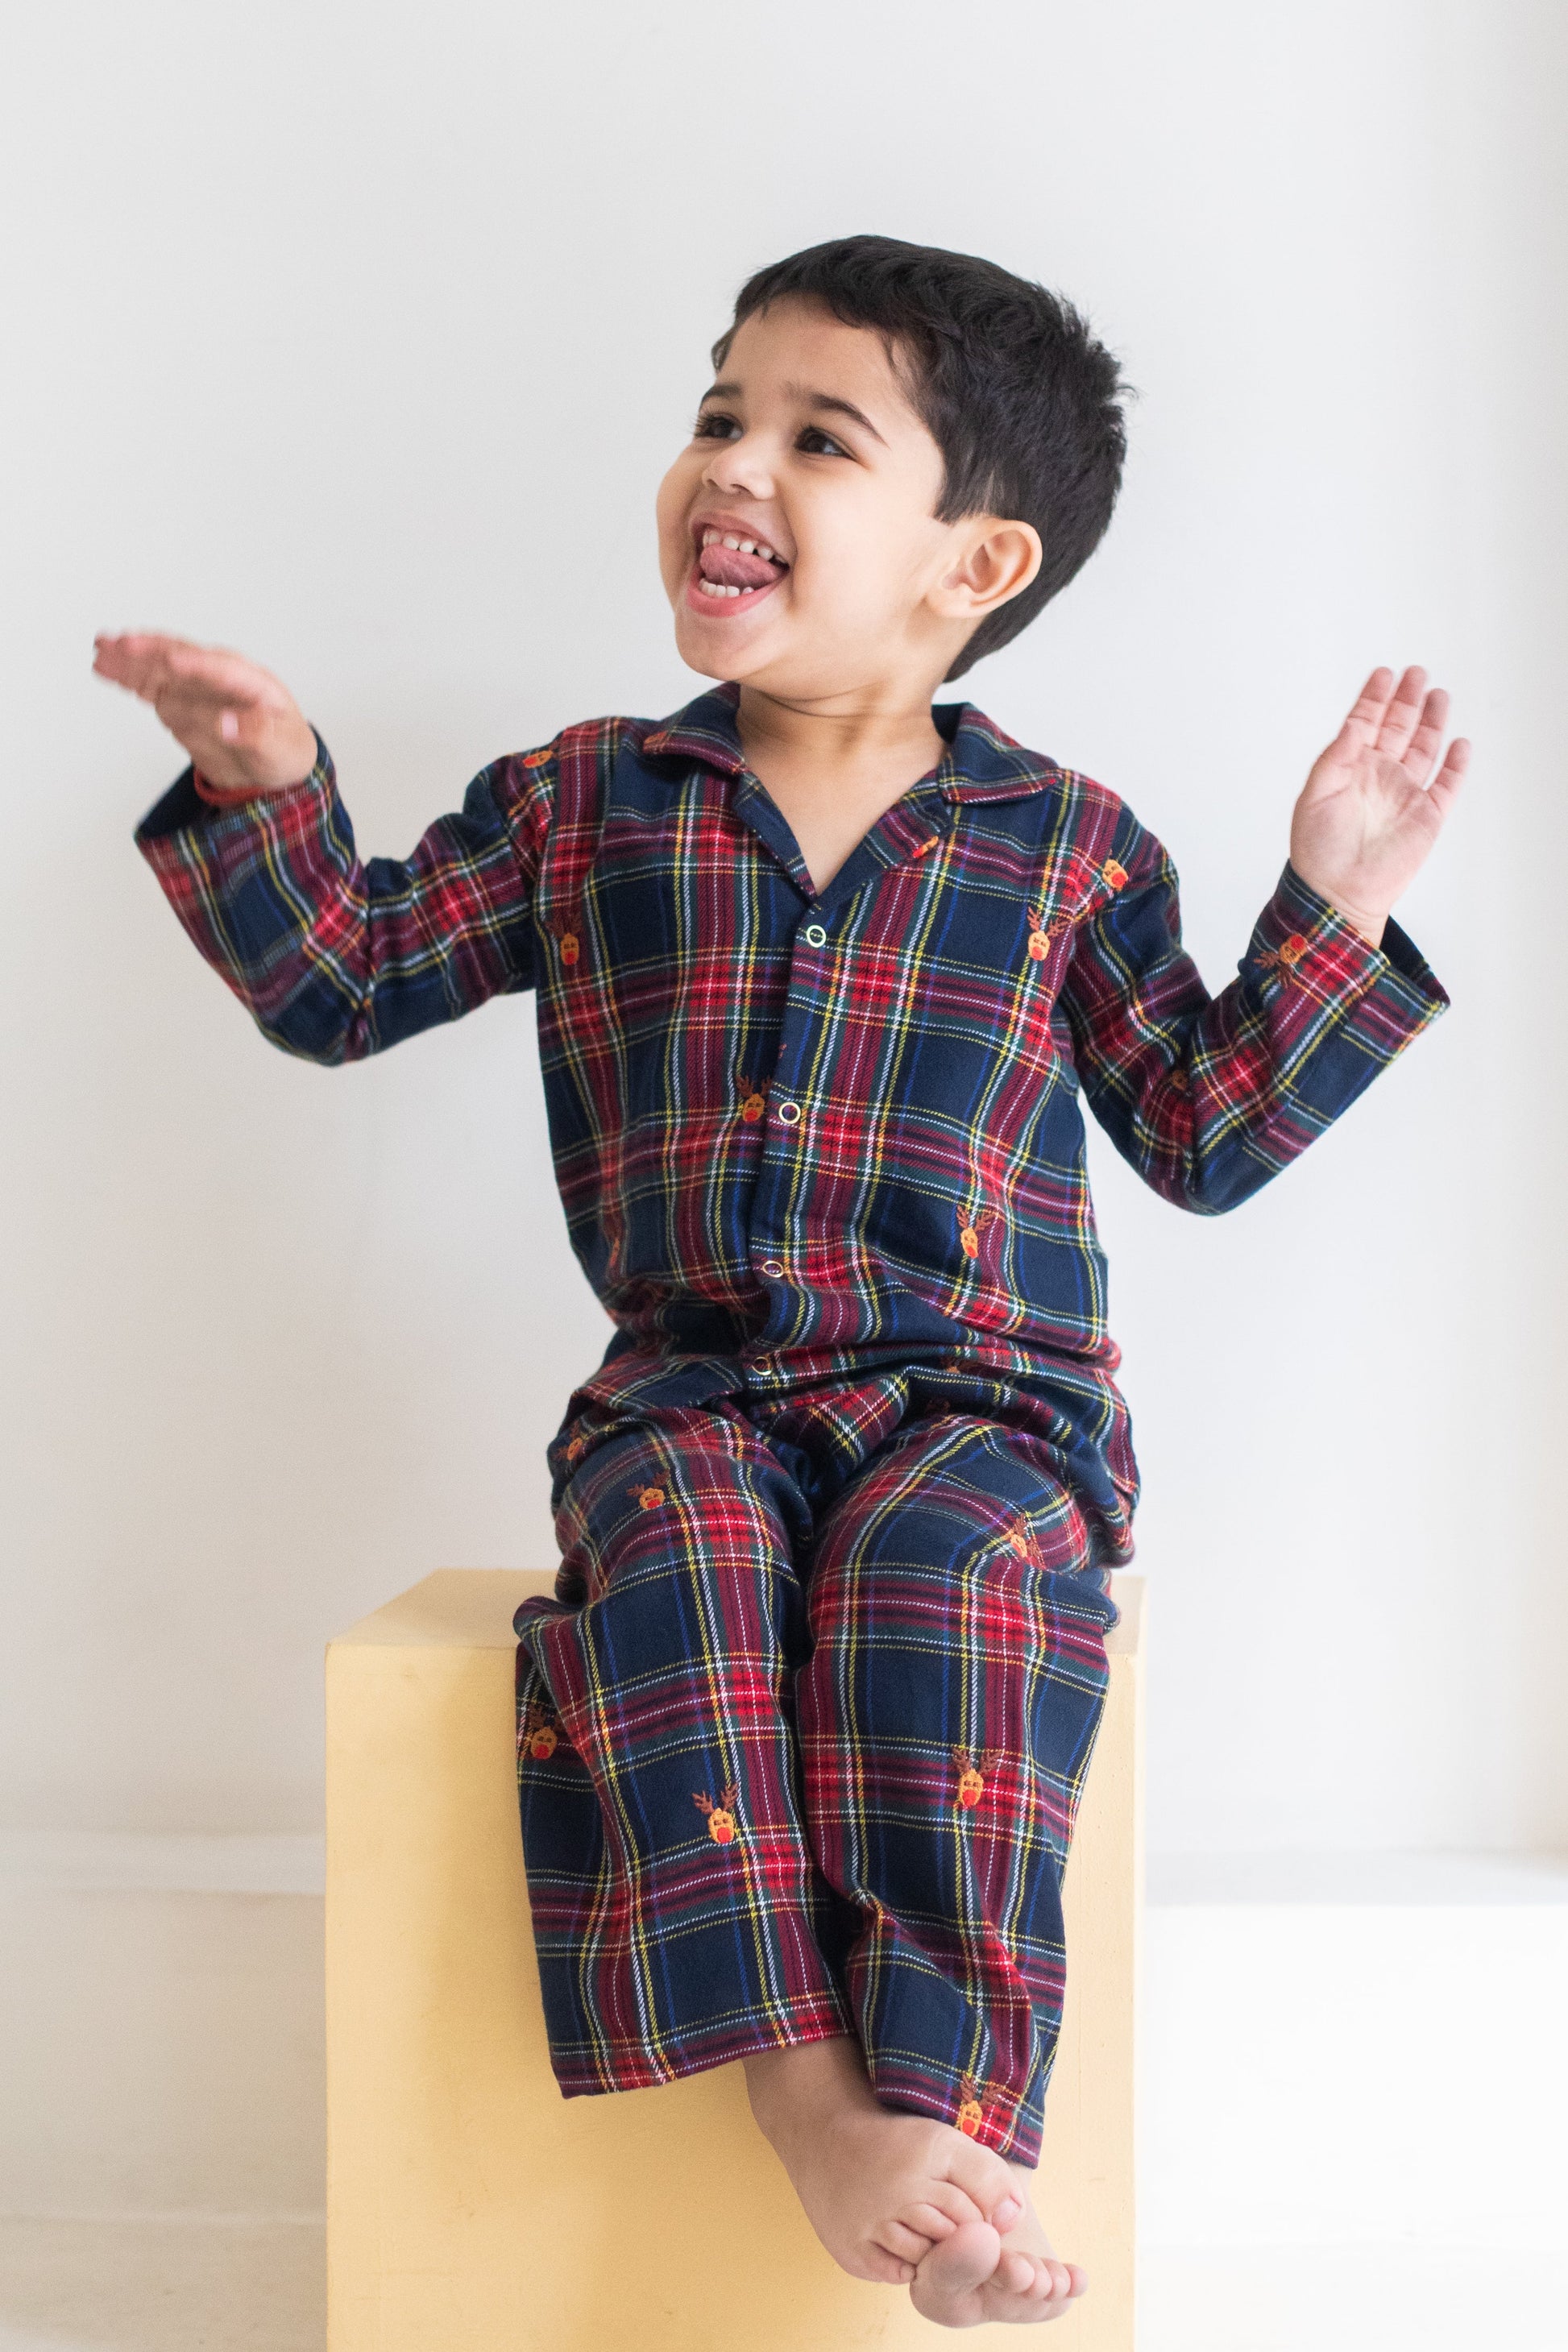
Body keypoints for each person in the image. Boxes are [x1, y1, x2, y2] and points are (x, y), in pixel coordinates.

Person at [96, 233, 1466, 2329]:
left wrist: (1331, 908)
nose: (729, 462)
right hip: (695, 1399)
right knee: (676, 1579)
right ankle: (806, 2094)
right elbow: (343, 980)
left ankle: (958, 2115)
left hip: (984, 1407)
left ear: (968, 563)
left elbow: (1200, 1130)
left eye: (815, 437)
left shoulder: (1060, 844)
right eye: (717, 412)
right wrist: (267, 792)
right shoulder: (586, 805)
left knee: (939, 1594)